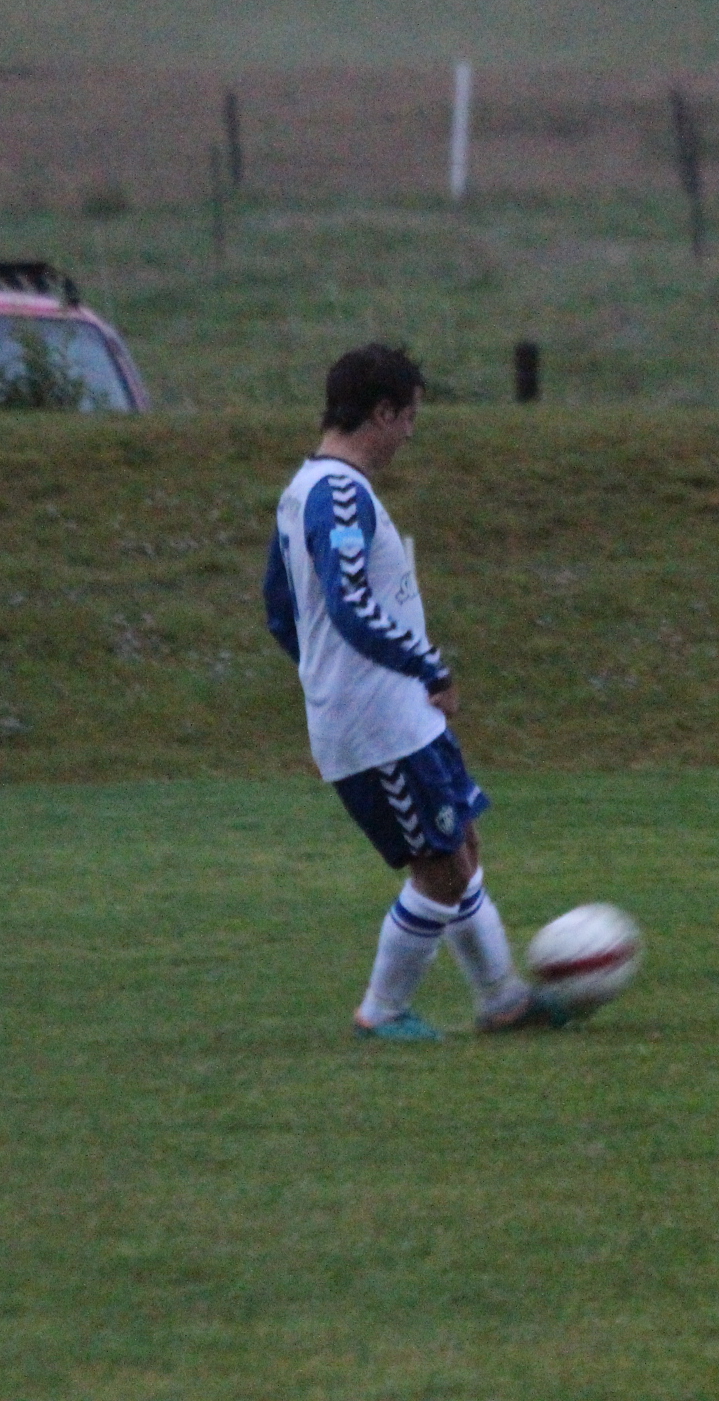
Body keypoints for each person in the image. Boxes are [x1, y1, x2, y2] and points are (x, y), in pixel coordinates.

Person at [263, 343, 564, 1041]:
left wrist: (323, 676)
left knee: (459, 847)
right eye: (409, 418)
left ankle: (503, 1001)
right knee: (438, 866)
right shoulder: (339, 495)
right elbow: (349, 605)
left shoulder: (303, 490)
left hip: (389, 713)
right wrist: (427, 667)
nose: (410, 434)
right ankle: (383, 1011)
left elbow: (280, 609)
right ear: (382, 412)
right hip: (378, 721)